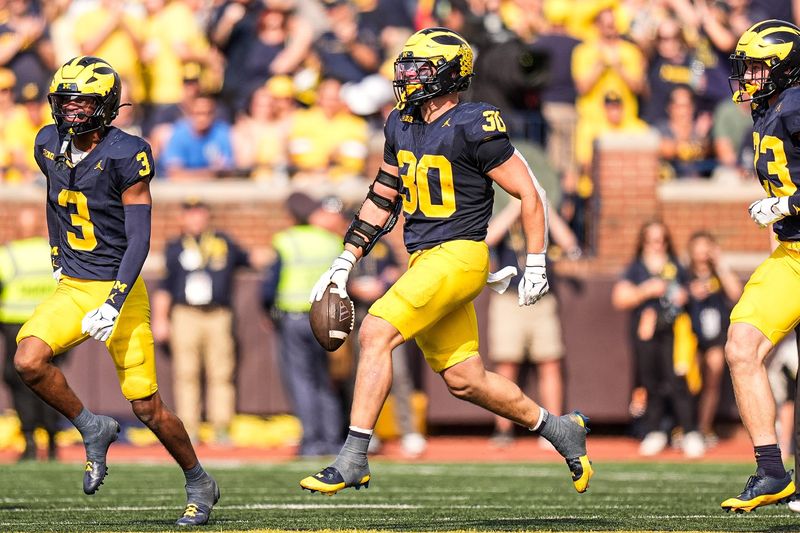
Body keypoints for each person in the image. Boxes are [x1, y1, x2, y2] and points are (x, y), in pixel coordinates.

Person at [299, 27, 592, 496]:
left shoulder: (475, 123)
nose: (406, 76)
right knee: (465, 380)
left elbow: (529, 191)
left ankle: (353, 457)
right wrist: (345, 259)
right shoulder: (400, 123)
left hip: (460, 254)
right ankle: (560, 429)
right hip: (424, 260)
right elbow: (383, 196)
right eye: (405, 67)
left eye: (418, 68)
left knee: (375, 331)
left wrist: (536, 262)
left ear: (449, 74)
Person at [12, 56, 218, 526]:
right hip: (74, 285)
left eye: (82, 102)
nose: (71, 110)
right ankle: (92, 427)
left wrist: (114, 300)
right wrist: (56, 254)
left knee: (147, 406)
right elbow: (54, 200)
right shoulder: (47, 143)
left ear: (106, 105)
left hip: (118, 289)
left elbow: (139, 238)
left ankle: (198, 480)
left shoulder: (127, 153)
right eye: (65, 101)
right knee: (27, 360)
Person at [719, 20, 800, 512]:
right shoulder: (768, 108)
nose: (747, 76)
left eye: (756, 67)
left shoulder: (796, 104)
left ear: (784, 68)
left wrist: (788, 204)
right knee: (741, 346)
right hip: (792, 255)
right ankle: (772, 471)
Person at [151, 198, 253, 445]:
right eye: (190, 214)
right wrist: (160, 318)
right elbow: (164, 286)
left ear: (207, 217)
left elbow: (251, 259)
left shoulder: (223, 241)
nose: (195, 219)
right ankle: (189, 428)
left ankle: (222, 427)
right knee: (186, 372)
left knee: (221, 372)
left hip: (218, 314)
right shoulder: (175, 246)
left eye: (199, 214)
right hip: (185, 314)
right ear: (182, 218)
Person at [261, 191, 345, 456]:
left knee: (302, 380)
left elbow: (270, 285)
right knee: (326, 380)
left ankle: (312, 441)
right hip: (327, 318)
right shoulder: (332, 241)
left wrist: (267, 311)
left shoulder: (286, 240)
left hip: (295, 317)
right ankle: (333, 439)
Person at [611, 220, 704, 458]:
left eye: (662, 240)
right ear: (643, 242)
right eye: (652, 240)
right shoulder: (636, 268)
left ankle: (689, 431)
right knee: (649, 380)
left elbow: (688, 290)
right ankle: (654, 430)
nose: (657, 245)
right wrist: (647, 290)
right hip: (646, 330)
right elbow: (620, 298)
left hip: (675, 330)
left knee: (678, 379)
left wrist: (684, 294)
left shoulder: (675, 265)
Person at [1, 207, 63, 461]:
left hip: (16, 327)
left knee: (20, 382)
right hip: (50, 326)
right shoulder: (52, 252)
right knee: (51, 381)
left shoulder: (8, 254)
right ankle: (53, 440)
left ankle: (29, 441)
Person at [685, 231, 742, 446]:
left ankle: (703, 427)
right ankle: (685, 426)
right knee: (689, 382)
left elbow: (736, 293)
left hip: (715, 337)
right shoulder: (685, 274)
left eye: (706, 246)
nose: (702, 252)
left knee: (712, 379)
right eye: (698, 247)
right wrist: (690, 292)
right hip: (690, 338)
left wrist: (720, 263)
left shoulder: (718, 274)